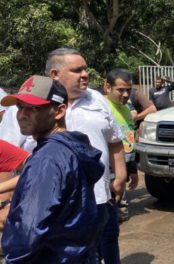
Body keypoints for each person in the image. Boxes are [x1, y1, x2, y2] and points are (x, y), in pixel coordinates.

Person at [1, 75, 105, 263]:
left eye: (33, 108)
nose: (22, 114)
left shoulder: (48, 158)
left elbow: (29, 230)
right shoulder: (69, 148)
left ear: (59, 111)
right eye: (20, 107)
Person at [46, 48, 126, 264]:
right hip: (58, 203)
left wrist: (120, 176)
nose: (85, 74)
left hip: (100, 196)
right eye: (76, 70)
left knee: (108, 245)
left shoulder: (97, 99)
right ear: (54, 74)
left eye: (85, 69)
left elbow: (115, 140)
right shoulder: (38, 105)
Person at [104, 69, 140, 221]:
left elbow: (129, 140)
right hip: (109, 171)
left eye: (128, 90)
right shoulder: (103, 108)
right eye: (120, 90)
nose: (125, 95)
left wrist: (132, 169)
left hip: (122, 169)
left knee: (121, 215)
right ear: (107, 87)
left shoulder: (126, 109)